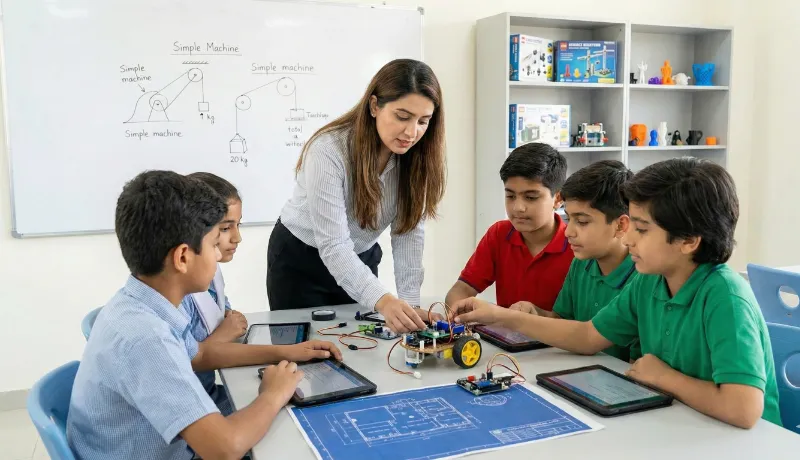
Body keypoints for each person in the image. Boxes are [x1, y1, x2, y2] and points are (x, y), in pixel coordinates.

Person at [453, 158, 782, 429]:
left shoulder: (725, 295)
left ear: (688, 241)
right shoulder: (649, 279)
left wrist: (665, 377)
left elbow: (743, 409)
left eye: (641, 229)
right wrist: (499, 315)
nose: (628, 240)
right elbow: (587, 336)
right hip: (681, 424)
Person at [67, 171, 341, 460]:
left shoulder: (139, 305)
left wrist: (287, 352)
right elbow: (224, 448)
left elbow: (199, 355)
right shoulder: (146, 337)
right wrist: (272, 393)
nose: (218, 254)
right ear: (182, 257)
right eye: (213, 244)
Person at [267, 59, 446, 334]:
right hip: (301, 261)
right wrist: (384, 300)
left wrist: (409, 308)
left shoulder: (418, 159)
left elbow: (409, 236)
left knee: (360, 347)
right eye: (402, 116)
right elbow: (334, 245)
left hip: (359, 258)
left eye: (423, 121)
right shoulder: (328, 150)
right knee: (303, 354)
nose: (412, 133)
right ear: (374, 106)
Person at [507, 160, 639, 361]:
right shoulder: (582, 262)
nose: (568, 232)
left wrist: (506, 318)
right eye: (569, 219)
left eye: (582, 222)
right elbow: (562, 321)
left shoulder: (642, 277)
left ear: (621, 226)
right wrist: (535, 313)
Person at [445, 143, 573, 312]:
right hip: (504, 337)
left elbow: (581, 322)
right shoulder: (499, 234)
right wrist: (457, 313)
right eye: (510, 196)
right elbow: (461, 290)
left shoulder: (576, 245)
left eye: (531, 197)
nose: (518, 207)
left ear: (557, 199)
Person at [182, 172, 248, 415]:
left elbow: (223, 312)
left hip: (207, 394)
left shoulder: (210, 271)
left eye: (238, 225)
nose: (237, 237)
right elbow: (183, 363)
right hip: (195, 407)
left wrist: (230, 320)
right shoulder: (178, 291)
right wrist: (224, 333)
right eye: (225, 228)